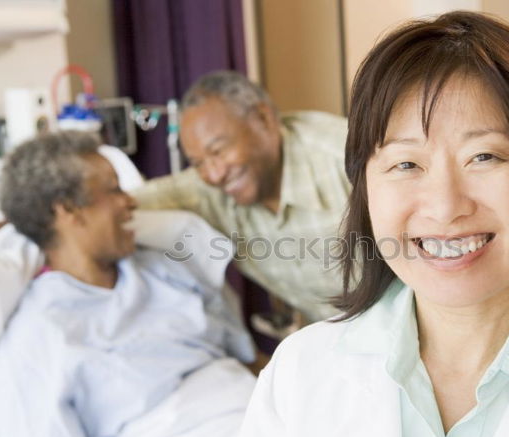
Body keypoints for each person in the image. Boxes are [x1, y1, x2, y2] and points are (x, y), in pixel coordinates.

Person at [232, 11, 509, 437]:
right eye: (406, 164)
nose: (445, 206)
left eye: (484, 156)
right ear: (365, 191)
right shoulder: (298, 373)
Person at [0, 131, 258, 437]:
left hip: (257, 414)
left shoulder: (164, 269)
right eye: (113, 189)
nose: (130, 202)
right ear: (69, 211)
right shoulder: (40, 337)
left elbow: (248, 358)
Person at [131, 71, 350, 324]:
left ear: (263, 119)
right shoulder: (208, 190)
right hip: (336, 341)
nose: (214, 174)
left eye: (219, 150)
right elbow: (124, 203)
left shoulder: (348, 158)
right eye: (198, 163)